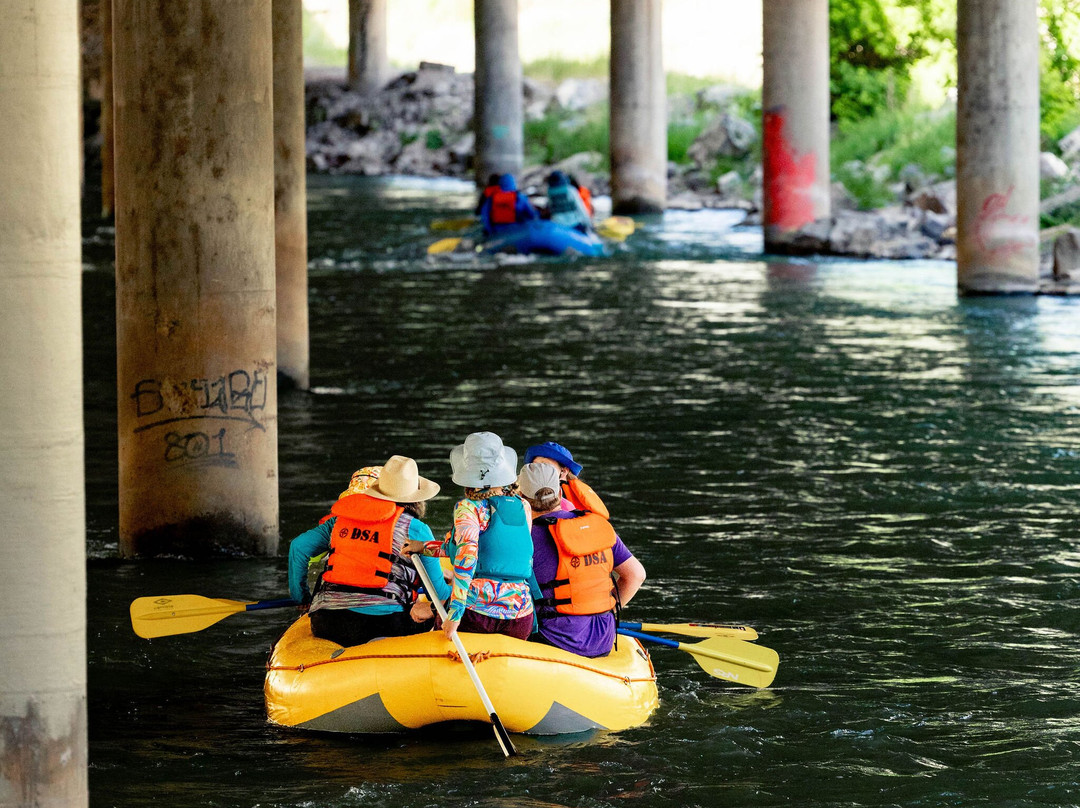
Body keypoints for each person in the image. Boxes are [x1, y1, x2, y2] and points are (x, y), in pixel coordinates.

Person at [287, 456, 450, 647]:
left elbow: (298, 547)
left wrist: (302, 598)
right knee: (431, 610)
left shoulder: (338, 522)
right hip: (385, 624)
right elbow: (437, 593)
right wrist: (453, 588)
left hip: (326, 622)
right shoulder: (417, 529)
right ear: (417, 498)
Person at [403, 432, 534, 642]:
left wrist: (454, 614)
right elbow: (492, 549)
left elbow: (468, 556)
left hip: (478, 614)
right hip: (520, 615)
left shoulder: (468, 508)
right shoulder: (523, 506)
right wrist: (423, 547)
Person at [517, 462, 646, 657]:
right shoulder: (599, 527)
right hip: (603, 638)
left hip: (554, 641)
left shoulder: (524, 538)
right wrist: (603, 608)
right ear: (560, 494)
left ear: (522, 500)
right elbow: (636, 575)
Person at [523, 441, 609, 518]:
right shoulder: (515, 495)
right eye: (535, 466)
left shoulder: (566, 507)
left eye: (546, 466)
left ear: (563, 472)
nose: (539, 470)